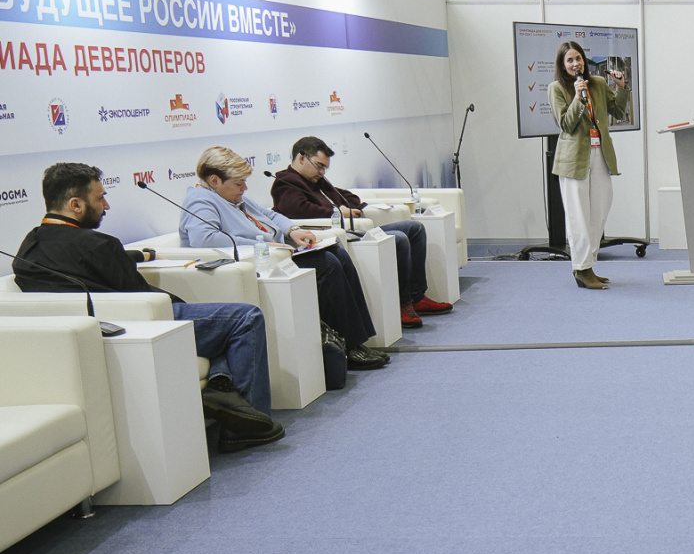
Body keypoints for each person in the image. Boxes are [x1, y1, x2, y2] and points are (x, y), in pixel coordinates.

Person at [11, 163, 284, 451]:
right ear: (76, 204)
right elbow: (140, 293)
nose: (106, 206)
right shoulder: (100, 245)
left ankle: (220, 383)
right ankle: (250, 420)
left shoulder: (28, 247)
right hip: (142, 322)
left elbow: (80, 261)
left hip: (90, 330)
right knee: (245, 317)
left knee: (220, 326)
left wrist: (139, 255)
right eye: (100, 198)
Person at [183, 147, 389, 371]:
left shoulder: (232, 197)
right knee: (327, 265)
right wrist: (261, 245)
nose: (245, 187)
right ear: (214, 180)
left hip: (278, 253)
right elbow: (205, 239)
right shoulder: (200, 201)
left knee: (339, 254)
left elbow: (270, 215)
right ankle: (348, 347)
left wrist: (292, 230)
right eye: (239, 183)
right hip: (258, 262)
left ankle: (357, 341)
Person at [270, 136, 453, 319]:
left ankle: (417, 296)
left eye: (325, 168)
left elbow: (349, 197)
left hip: (354, 228)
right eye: (319, 166)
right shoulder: (285, 182)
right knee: (399, 238)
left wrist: (347, 208)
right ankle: (403, 304)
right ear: (302, 158)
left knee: (414, 228)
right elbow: (298, 210)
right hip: (336, 235)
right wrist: (337, 211)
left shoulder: (317, 180)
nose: (323, 172)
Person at [543, 40, 631, 289]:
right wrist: (578, 98)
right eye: (569, 60)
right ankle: (582, 269)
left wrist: (622, 88)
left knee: (599, 211)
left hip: (600, 154)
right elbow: (566, 124)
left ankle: (588, 264)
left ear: (584, 61)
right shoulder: (556, 88)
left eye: (578, 58)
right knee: (578, 216)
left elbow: (619, 112)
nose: (575, 64)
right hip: (574, 160)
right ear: (562, 65)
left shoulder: (599, 84)